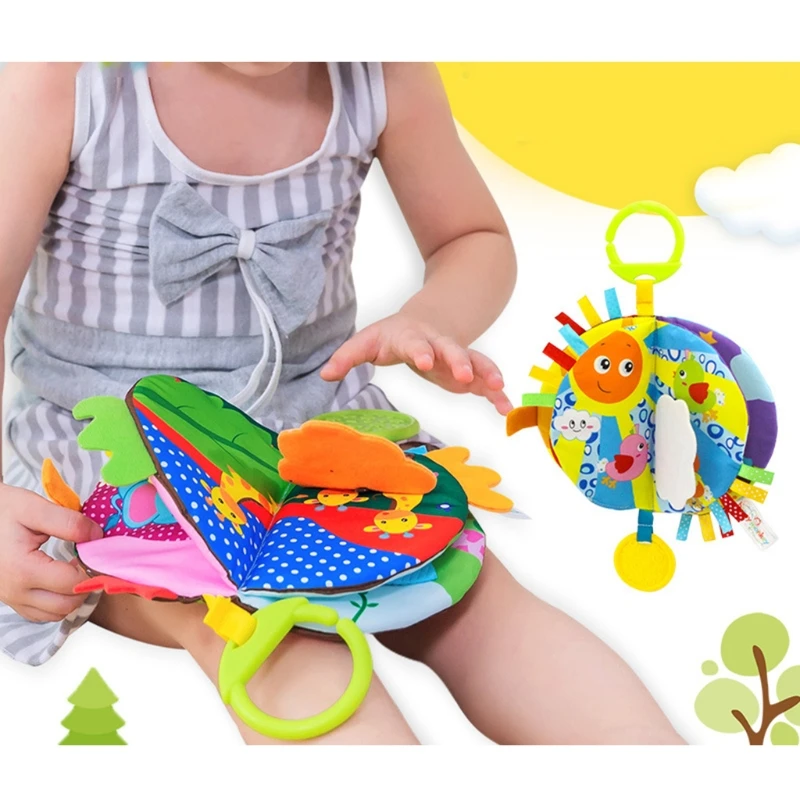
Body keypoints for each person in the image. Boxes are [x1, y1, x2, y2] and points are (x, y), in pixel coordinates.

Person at [0, 62, 684, 744]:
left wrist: (434, 318)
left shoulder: (382, 73)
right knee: (278, 637)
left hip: (317, 436)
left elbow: (472, 237)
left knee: (470, 599)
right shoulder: (66, 77)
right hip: (124, 451)